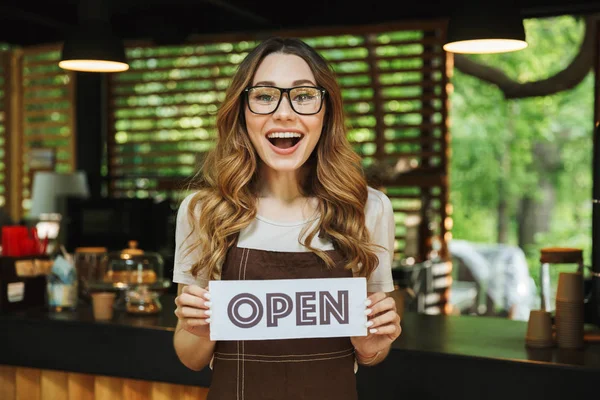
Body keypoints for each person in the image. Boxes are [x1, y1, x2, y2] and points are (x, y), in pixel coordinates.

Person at [172, 37, 401, 400]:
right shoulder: (204, 212)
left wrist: (372, 342)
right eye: (264, 96)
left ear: (326, 110)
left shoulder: (368, 209)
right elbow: (189, 356)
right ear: (241, 110)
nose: (283, 112)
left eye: (304, 95)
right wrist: (199, 331)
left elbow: (372, 352)